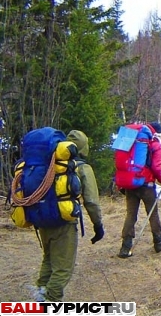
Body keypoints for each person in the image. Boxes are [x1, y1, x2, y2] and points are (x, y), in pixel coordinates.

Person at [30, 129, 104, 302]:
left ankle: (40, 295)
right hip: (64, 221)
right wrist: (98, 225)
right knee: (63, 268)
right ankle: (52, 303)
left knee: (49, 258)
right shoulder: (82, 167)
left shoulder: (50, 164)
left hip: (43, 218)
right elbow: (91, 201)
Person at [117, 121, 161, 258]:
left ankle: (125, 247)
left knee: (130, 215)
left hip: (131, 182)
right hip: (147, 185)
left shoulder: (133, 141)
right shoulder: (154, 145)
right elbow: (156, 167)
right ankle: (158, 243)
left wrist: (121, 184)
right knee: (152, 213)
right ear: (156, 132)